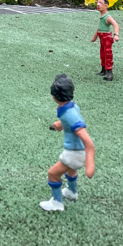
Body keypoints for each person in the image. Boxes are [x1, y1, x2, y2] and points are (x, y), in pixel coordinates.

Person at [42, 74, 96, 212]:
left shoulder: (69, 114)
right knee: (71, 171)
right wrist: (60, 125)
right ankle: (72, 192)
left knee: (53, 174)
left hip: (74, 153)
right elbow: (70, 122)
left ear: (54, 96)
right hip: (77, 151)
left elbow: (87, 140)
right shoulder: (71, 108)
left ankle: (57, 203)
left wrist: (90, 164)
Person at [93, 0, 120, 81]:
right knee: (102, 53)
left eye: (100, 3)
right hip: (101, 37)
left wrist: (116, 34)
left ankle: (109, 73)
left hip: (106, 37)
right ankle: (103, 70)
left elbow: (116, 25)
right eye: (98, 2)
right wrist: (95, 37)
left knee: (108, 54)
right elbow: (100, 27)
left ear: (106, 5)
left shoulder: (108, 17)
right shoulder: (102, 16)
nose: (98, 4)